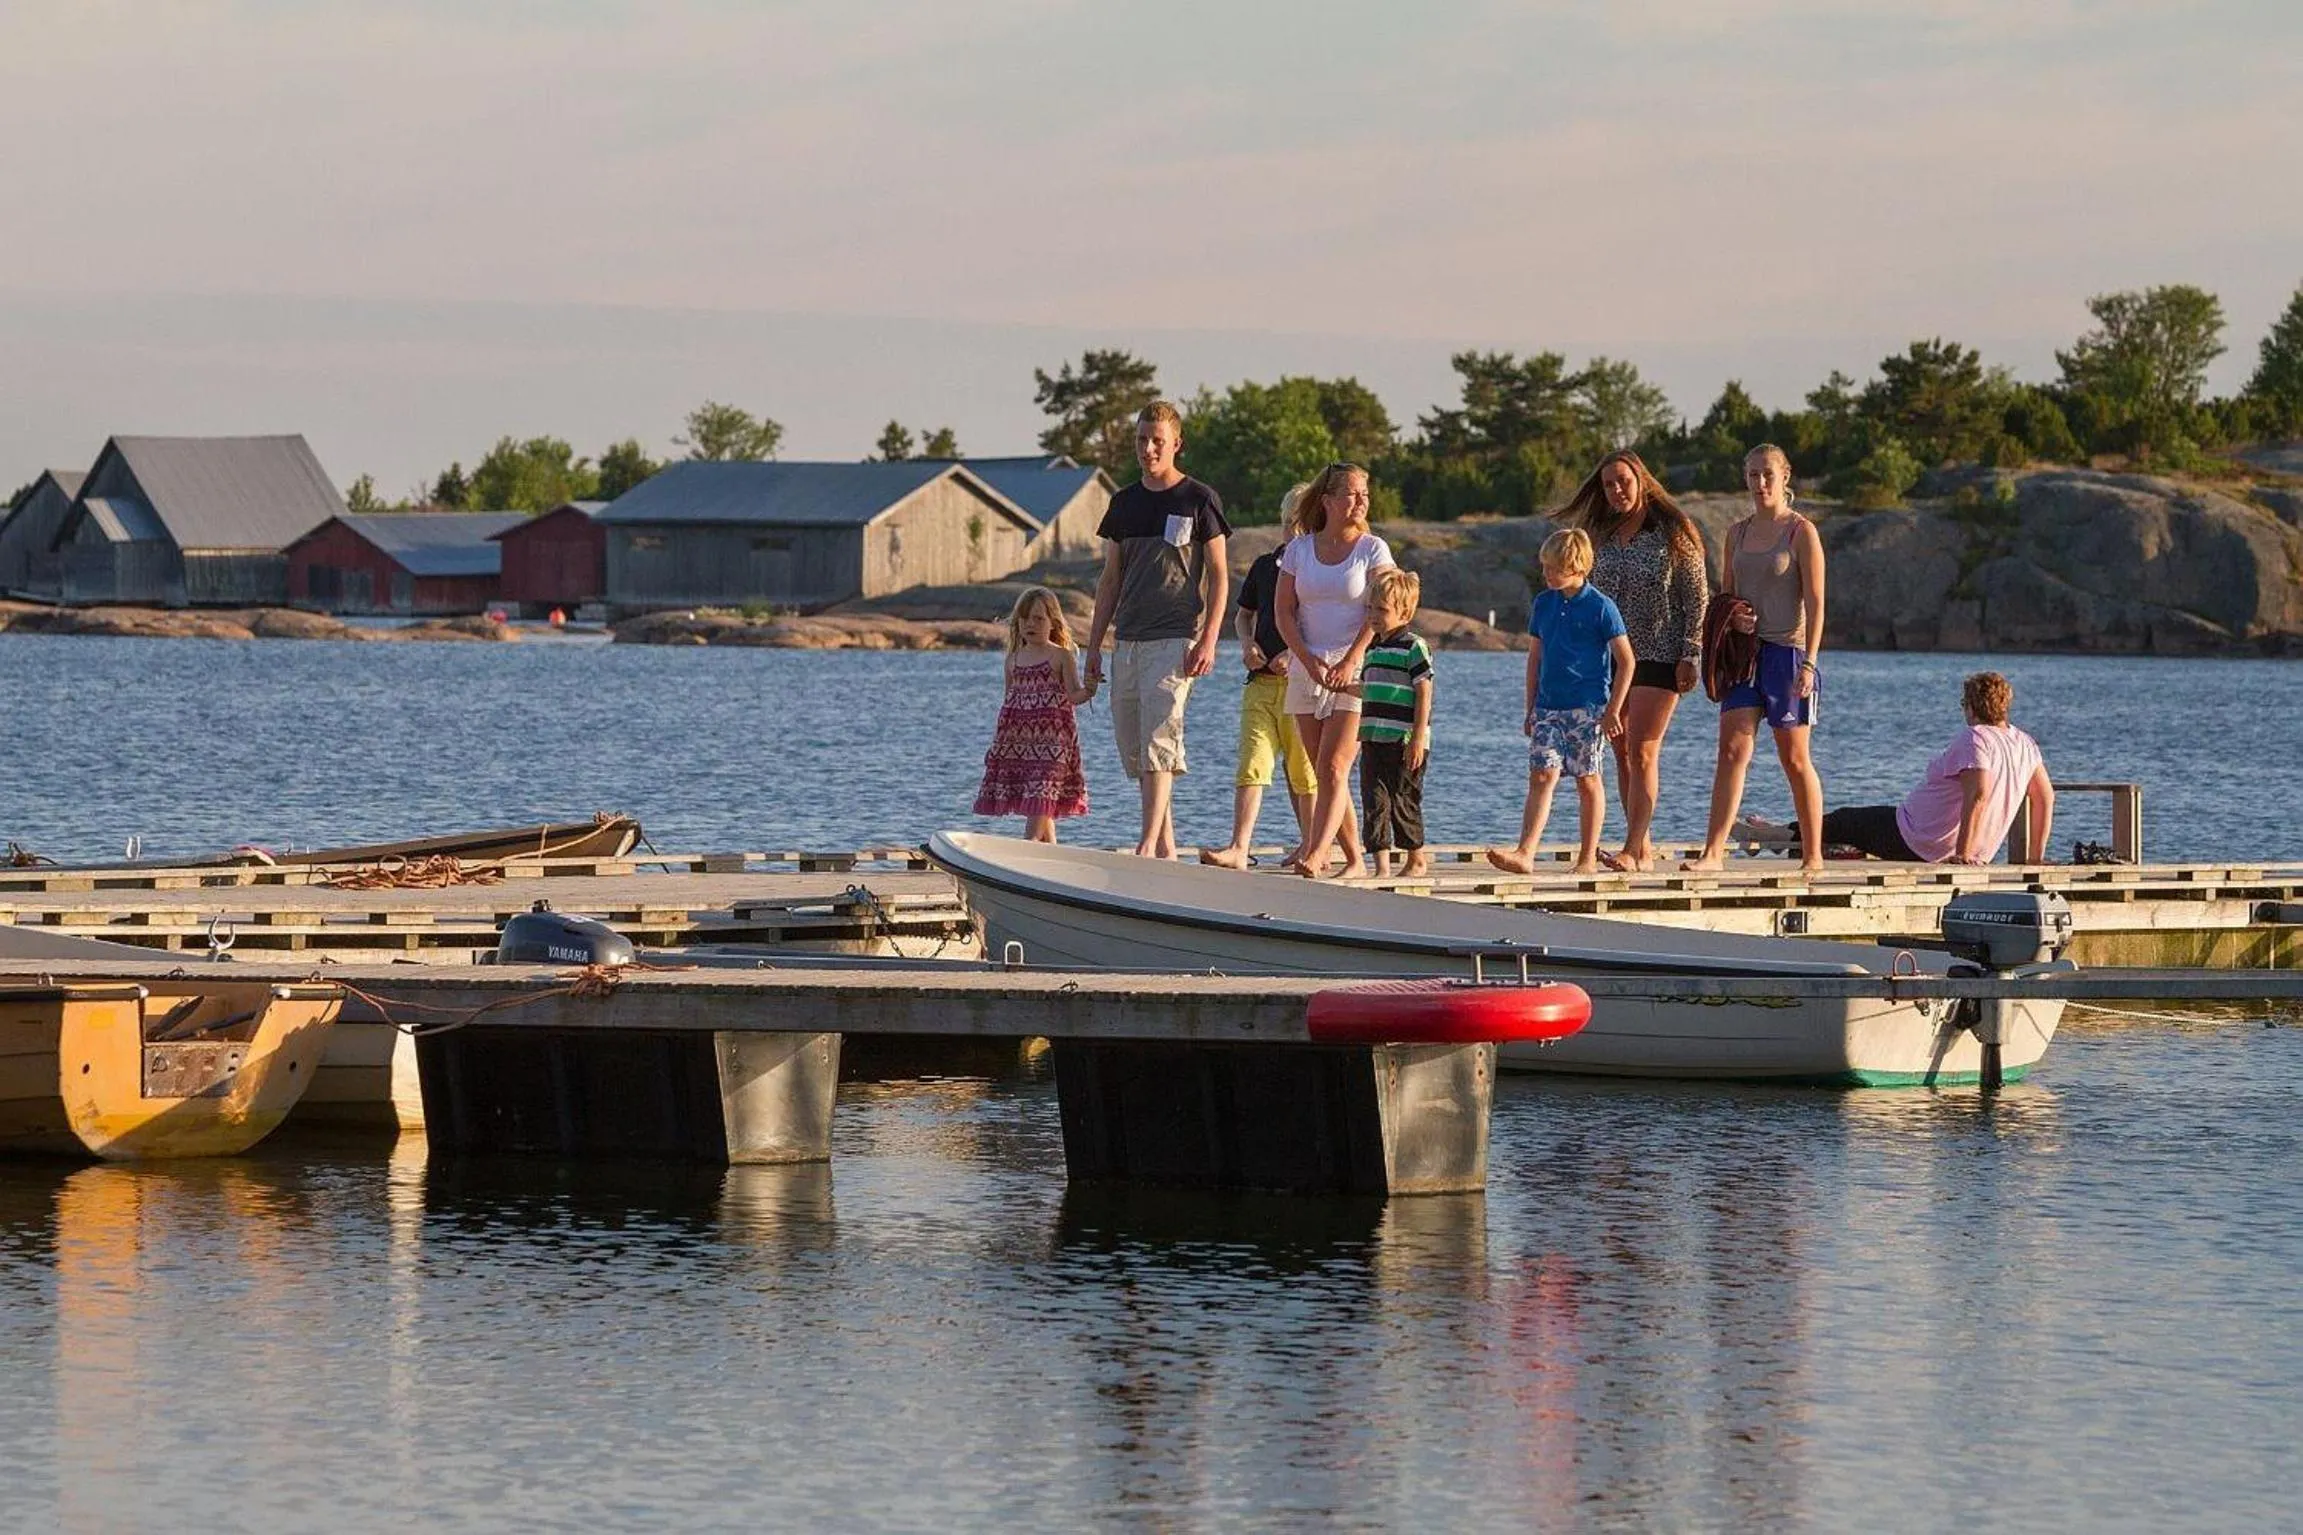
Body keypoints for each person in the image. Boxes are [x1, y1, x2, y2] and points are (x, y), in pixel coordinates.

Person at [1082, 402, 1232, 858]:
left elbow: (1222, 575)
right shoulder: (1123, 503)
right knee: (1133, 744)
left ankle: (1146, 845)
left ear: (1176, 444)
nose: (1148, 449)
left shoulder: (1199, 499)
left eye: (1157, 441)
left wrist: (1208, 637)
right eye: (1142, 440)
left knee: (1159, 740)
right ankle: (1166, 845)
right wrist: (1093, 646)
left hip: (1175, 637)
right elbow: (1110, 580)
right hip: (1126, 638)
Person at [1556, 450, 1709, 872]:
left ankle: (1631, 846)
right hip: (1609, 659)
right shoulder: (1600, 534)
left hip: (1661, 653)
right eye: (1608, 485)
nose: (1617, 490)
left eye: (1623, 481)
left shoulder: (1674, 530)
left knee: (1643, 749)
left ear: (1641, 480)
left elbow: (1697, 596)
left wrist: (1691, 653)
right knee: (1621, 750)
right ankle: (1641, 846)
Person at [1682, 444, 1828, 874]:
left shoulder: (1801, 532)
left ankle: (1813, 855)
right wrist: (1734, 620)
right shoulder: (1737, 533)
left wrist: (1810, 663)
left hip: (1788, 653)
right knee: (1731, 750)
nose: (1760, 484)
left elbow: (1818, 603)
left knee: (1794, 757)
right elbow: (1726, 595)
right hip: (1745, 655)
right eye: (1752, 476)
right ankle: (1713, 854)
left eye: (1767, 474)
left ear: (1785, 477)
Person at [1736, 672, 2053, 864]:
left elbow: (1978, 795)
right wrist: (2035, 857)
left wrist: (1963, 854)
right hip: (1951, 845)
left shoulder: (1976, 738)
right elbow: (2045, 798)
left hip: (1917, 839)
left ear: (1971, 706)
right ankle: (1782, 835)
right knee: (1850, 829)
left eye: (1963, 705)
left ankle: (1771, 835)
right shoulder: (2025, 743)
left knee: (1845, 820)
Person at [1488, 529, 1634, 876]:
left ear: (1576, 566)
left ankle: (1586, 859)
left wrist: (1613, 709)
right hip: (1548, 707)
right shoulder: (1543, 604)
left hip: (1588, 708)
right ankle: (1525, 852)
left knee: (1588, 780)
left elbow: (1626, 661)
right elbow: (1534, 659)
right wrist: (1530, 708)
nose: (1547, 574)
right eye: (1545, 568)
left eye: (1554, 568)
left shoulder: (1601, 607)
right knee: (1542, 775)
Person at [1275, 462, 1392, 879]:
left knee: (1334, 767)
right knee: (1323, 772)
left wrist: (1349, 660)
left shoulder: (1373, 549)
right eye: (1352, 494)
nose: (1361, 501)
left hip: (1356, 671)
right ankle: (1355, 859)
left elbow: (1383, 609)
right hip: (1308, 668)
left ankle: (1315, 852)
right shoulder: (1299, 550)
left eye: (1365, 494)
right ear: (1327, 501)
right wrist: (1307, 660)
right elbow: (1284, 612)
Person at [1199, 487, 1319, 870]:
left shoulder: (1317, 573)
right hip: (1260, 684)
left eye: (1302, 525)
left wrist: (1295, 654)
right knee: (1253, 763)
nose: (1294, 533)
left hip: (1301, 685)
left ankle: (1311, 846)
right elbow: (1243, 615)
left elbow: (1321, 626)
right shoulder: (1265, 566)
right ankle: (1239, 845)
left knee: (1304, 770)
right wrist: (1247, 644)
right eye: (1289, 524)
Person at [973, 587, 1096, 842]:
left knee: (1042, 795)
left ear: (1053, 622)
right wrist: (998, 746)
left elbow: (1074, 696)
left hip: (1055, 744)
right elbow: (1008, 703)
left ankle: (1025, 850)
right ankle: (1050, 860)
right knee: (1042, 805)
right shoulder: (1013, 660)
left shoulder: (1061, 656)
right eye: (1025, 618)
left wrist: (1091, 687)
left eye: (1039, 618)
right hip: (1021, 745)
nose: (1031, 624)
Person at [1355, 566, 1435, 878]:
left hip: (1403, 739)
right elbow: (1370, 687)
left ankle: (1415, 858)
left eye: (1382, 610)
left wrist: (1417, 736)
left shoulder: (1413, 646)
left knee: (1403, 798)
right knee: (1374, 799)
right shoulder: (1373, 648)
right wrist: (1338, 685)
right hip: (1373, 735)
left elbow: (1424, 691)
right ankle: (1381, 867)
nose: (1374, 615)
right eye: (1370, 608)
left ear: (1404, 612)